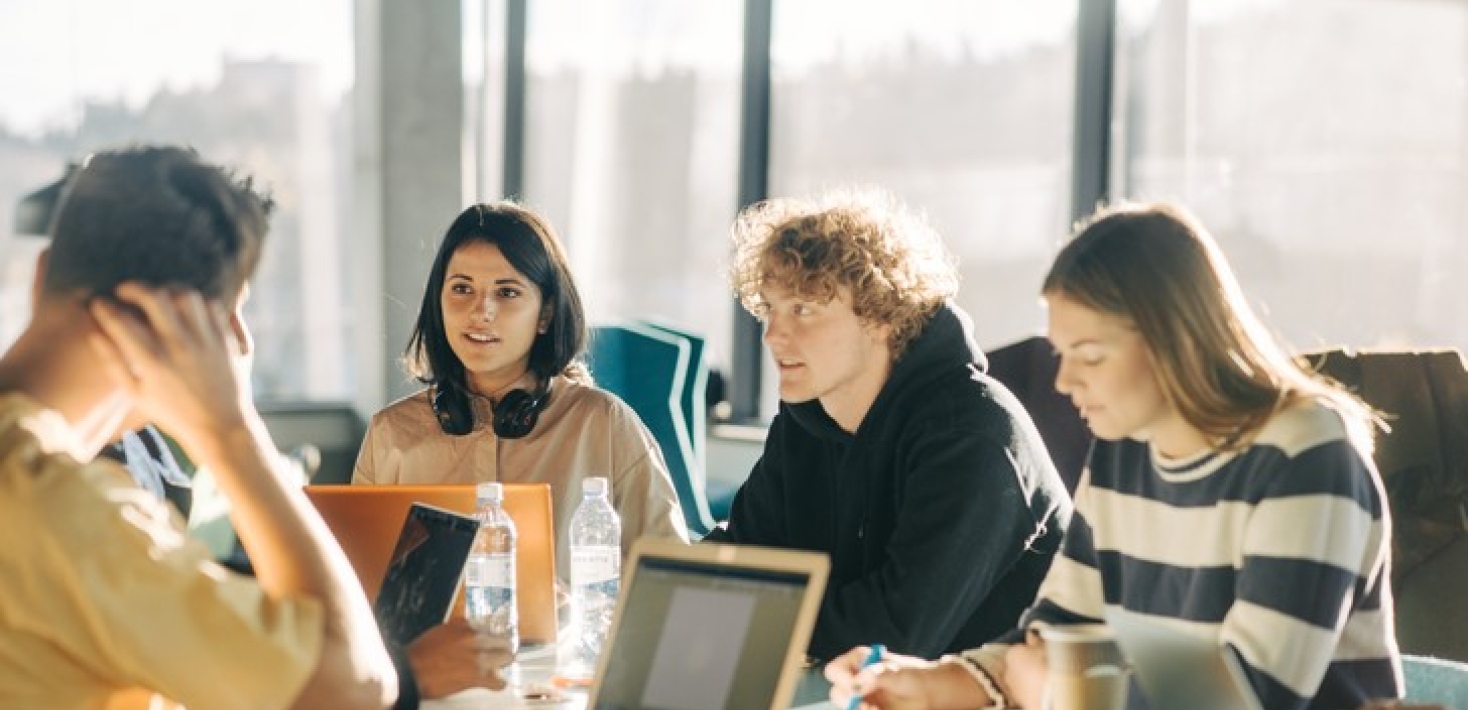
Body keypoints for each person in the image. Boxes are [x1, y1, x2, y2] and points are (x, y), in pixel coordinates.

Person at [827, 202, 1402, 710]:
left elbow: (1254, 695)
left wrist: (1056, 693)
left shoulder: (1306, 456)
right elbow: (1058, 635)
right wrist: (932, 682)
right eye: (1062, 352)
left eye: (1090, 355)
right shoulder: (1125, 451)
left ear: (1173, 341)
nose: (1065, 380)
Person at [0, 146, 505, 710]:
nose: (242, 343)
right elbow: (358, 687)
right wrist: (230, 428)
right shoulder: (71, 513)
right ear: (180, 332)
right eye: (232, 316)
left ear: (42, 275)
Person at [702, 189, 1072, 662]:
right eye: (769, 309)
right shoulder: (806, 421)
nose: (773, 334)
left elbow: (895, 633)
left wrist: (735, 612)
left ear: (879, 316)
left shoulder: (973, 435)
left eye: (803, 310)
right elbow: (738, 558)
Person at [353, 201, 690, 577]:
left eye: (507, 292)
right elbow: (357, 584)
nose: (481, 311)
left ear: (545, 313)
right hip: (428, 638)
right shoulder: (391, 433)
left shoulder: (603, 426)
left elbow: (670, 578)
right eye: (462, 288)